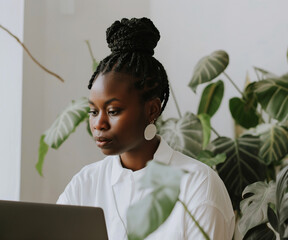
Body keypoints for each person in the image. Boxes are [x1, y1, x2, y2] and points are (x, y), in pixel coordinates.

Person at [57, 17, 235, 239]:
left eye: (112, 111)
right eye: (94, 111)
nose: (99, 124)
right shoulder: (85, 184)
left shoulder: (198, 185)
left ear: (152, 110)